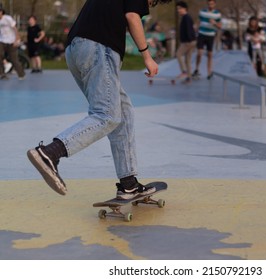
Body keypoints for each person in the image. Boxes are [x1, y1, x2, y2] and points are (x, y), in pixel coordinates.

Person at [27, 0, 172, 199]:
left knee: (123, 112)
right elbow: (132, 16)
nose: (148, 6)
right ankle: (51, 152)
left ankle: (128, 184)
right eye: (152, 2)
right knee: (107, 115)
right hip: (98, 49)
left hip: (76, 49)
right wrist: (147, 56)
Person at [192, 0, 221, 80]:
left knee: (210, 54)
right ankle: (197, 69)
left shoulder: (217, 14)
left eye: (212, 4)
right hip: (202, 34)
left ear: (215, 4)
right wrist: (195, 28)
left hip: (211, 35)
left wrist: (214, 23)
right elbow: (199, 21)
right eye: (209, 4)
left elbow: (220, 26)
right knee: (199, 53)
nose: (210, 5)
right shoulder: (202, 12)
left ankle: (209, 72)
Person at [0, 8, 25, 80]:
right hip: (2, 41)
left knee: (14, 59)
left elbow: (15, 28)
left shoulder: (7, 18)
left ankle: (21, 74)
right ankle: (2, 74)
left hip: (11, 41)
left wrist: (17, 39)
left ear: (1, 12)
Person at [175, 1, 196, 83]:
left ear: (185, 9)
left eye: (179, 9)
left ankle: (184, 72)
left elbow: (188, 30)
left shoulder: (186, 17)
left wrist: (188, 39)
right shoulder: (187, 17)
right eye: (177, 9)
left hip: (188, 42)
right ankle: (189, 77)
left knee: (178, 54)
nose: (178, 10)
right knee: (187, 60)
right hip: (192, 41)